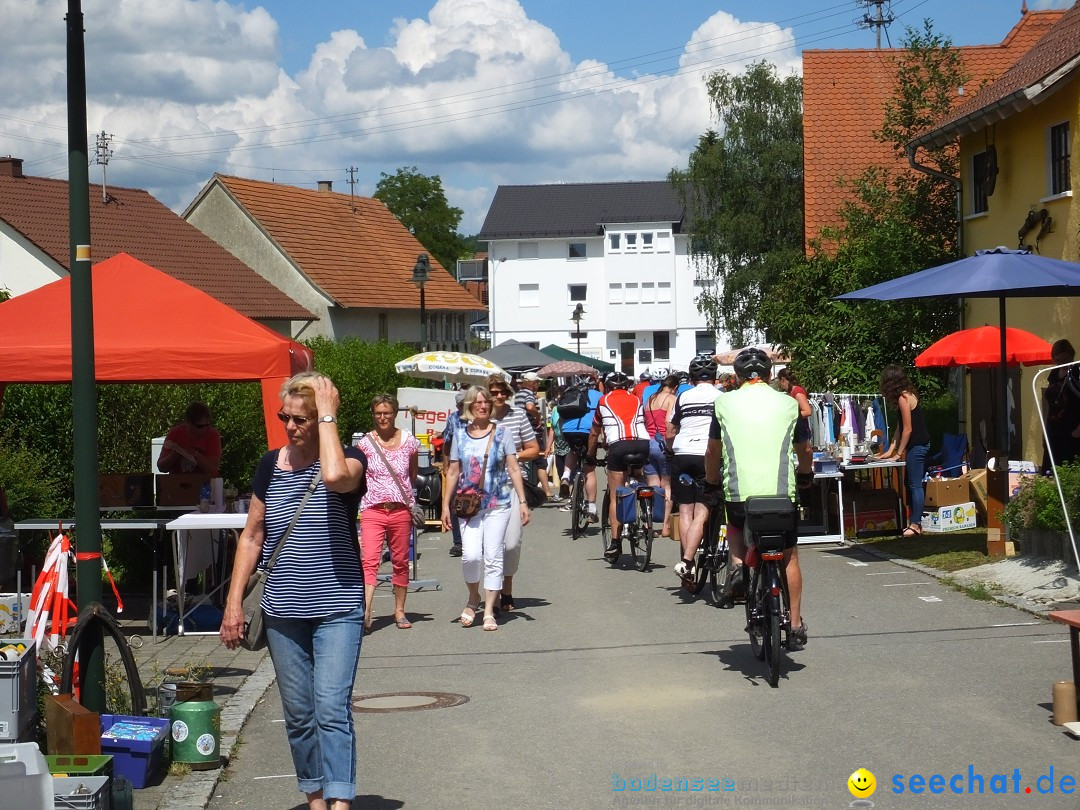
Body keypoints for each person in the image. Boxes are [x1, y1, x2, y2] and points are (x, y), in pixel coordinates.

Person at [220, 372, 367, 810]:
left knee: (331, 707)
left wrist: (327, 416)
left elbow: (337, 477)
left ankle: (340, 801)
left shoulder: (349, 458)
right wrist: (233, 603)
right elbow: (252, 535)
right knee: (300, 714)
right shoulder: (269, 465)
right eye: (285, 417)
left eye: (300, 419)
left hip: (338, 605)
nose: (290, 427)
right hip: (282, 609)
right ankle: (316, 799)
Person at [704, 347, 807, 646]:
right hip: (781, 494)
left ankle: (737, 566)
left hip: (740, 494)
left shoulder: (723, 403)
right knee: (789, 558)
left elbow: (713, 450)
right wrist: (806, 474)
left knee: (735, 522)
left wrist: (711, 480)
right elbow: (805, 448)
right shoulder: (788, 403)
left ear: (736, 377)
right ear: (769, 374)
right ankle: (796, 624)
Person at [441, 385, 531, 631]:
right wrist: (445, 506)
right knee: (470, 555)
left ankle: (489, 610)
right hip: (468, 506)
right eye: (478, 402)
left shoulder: (503, 433)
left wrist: (522, 501)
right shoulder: (460, 435)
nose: (482, 406)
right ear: (470, 406)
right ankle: (473, 597)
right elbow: (453, 471)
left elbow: (513, 468)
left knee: (493, 555)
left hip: (498, 503)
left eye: (486, 402)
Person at [356, 394, 420, 633]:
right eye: (378, 413)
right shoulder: (364, 444)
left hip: (400, 509)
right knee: (369, 560)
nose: (382, 417)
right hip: (373, 509)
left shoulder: (409, 441)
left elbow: (411, 474)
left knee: (401, 561)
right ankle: (366, 612)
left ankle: (399, 610)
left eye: (387, 413)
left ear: (395, 413)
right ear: (373, 415)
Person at [487, 375, 541, 612]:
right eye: (494, 392)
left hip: (511, 487)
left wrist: (512, 456)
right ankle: (493, 592)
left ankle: (507, 586)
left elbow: (534, 449)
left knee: (510, 544)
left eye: (502, 392)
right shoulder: (479, 417)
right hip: (484, 489)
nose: (498, 396)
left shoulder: (518, 415)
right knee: (489, 546)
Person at [667, 355, 721, 587]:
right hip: (708, 454)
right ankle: (690, 560)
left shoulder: (683, 396)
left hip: (684, 454)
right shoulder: (722, 397)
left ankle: (686, 569)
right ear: (715, 377)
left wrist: (672, 453)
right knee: (702, 512)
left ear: (692, 378)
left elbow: (670, 432)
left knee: (686, 512)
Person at [586, 370, 651, 561]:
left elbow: (594, 432)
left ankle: (615, 542)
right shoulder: (637, 400)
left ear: (607, 387)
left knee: (616, 494)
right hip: (642, 444)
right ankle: (644, 510)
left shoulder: (603, 401)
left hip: (619, 446)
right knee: (638, 475)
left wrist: (591, 455)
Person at [875, 364, 931, 537]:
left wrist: (899, 454)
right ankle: (914, 522)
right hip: (917, 444)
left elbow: (908, 429)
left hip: (918, 444)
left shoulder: (903, 398)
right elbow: (900, 427)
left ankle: (915, 525)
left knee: (915, 485)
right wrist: (890, 449)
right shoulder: (906, 394)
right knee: (910, 483)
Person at [559, 374, 602, 520]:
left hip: (568, 430)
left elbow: (560, 415)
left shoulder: (569, 393)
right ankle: (591, 508)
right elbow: (603, 420)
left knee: (572, 451)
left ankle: (565, 476)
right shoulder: (599, 396)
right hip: (588, 432)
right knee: (589, 469)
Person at [642, 372, 679, 538]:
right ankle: (664, 526)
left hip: (648, 444)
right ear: (674, 388)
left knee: (652, 485)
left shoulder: (649, 400)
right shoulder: (671, 399)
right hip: (663, 443)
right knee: (667, 485)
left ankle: (647, 522)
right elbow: (668, 423)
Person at [776, 367, 814, 507]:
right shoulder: (790, 392)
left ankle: (806, 498)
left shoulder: (797, 391)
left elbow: (807, 410)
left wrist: (789, 417)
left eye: (780, 382)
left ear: (783, 380)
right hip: (797, 431)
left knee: (804, 463)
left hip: (801, 430)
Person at [1042, 339, 1080, 473]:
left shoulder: (1077, 372)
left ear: (1072, 355)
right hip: (1054, 429)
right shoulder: (1054, 372)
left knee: (1067, 471)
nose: (1062, 363)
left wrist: (1078, 430)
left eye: (1065, 359)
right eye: (1058, 360)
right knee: (1050, 470)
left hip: (1071, 431)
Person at [157, 402, 222, 477]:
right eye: (199, 426)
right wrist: (174, 456)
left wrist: (195, 454)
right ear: (188, 423)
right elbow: (161, 467)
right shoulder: (175, 433)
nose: (205, 429)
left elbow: (213, 468)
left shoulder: (212, 434)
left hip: (204, 484)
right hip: (178, 483)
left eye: (207, 424)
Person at [442, 391, 467, 556]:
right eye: (460, 405)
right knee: (455, 502)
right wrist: (445, 464)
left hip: (475, 465)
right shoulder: (453, 418)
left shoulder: (478, 417)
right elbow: (446, 440)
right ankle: (458, 542)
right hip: (457, 464)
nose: (463, 407)